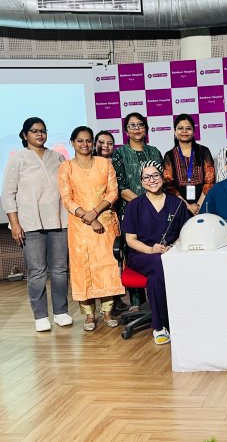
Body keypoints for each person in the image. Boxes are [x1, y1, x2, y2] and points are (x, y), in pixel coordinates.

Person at [1, 117, 72, 332]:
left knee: (60, 270)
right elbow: (8, 194)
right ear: (25, 135)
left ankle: (61, 312)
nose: (40, 134)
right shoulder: (17, 159)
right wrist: (15, 224)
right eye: (34, 131)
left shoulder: (58, 157)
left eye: (43, 130)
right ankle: (40, 316)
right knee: (37, 272)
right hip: (30, 224)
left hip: (59, 221)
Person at [58, 126, 124, 331]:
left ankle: (108, 312)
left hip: (105, 222)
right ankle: (89, 315)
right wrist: (86, 216)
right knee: (83, 269)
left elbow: (113, 192)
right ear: (72, 143)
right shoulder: (66, 167)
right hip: (80, 227)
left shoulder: (105, 164)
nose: (84, 144)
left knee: (107, 268)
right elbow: (66, 198)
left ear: (93, 143)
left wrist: (95, 212)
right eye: (80, 140)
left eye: (88, 140)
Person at [122, 161, 189, 345]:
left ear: (162, 178)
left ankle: (160, 326)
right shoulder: (135, 206)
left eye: (155, 175)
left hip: (170, 254)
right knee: (159, 262)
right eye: (146, 177)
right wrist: (151, 249)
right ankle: (166, 322)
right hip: (141, 255)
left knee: (155, 276)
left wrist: (172, 247)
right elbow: (130, 240)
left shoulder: (177, 204)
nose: (152, 180)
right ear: (141, 182)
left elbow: (185, 233)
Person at [111, 112, 162, 310]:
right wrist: (144, 205)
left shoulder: (154, 152)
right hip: (131, 211)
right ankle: (136, 304)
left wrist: (153, 206)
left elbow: (160, 181)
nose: (136, 129)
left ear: (146, 129)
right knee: (135, 252)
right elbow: (121, 188)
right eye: (132, 126)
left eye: (140, 124)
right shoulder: (120, 154)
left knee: (156, 251)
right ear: (126, 131)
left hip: (157, 211)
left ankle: (159, 300)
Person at [92, 130, 129, 315]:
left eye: (109, 143)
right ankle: (102, 301)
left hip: (113, 215)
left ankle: (115, 299)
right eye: (101, 142)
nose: (105, 146)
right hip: (92, 218)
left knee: (115, 259)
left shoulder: (116, 163)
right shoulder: (88, 164)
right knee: (98, 262)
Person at [163, 113, 215, 215]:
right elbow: (169, 186)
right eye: (180, 128)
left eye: (188, 128)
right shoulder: (169, 155)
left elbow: (210, 180)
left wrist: (199, 206)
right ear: (175, 131)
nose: (184, 131)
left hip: (204, 203)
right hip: (179, 205)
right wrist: (188, 206)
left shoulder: (203, 151)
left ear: (194, 131)